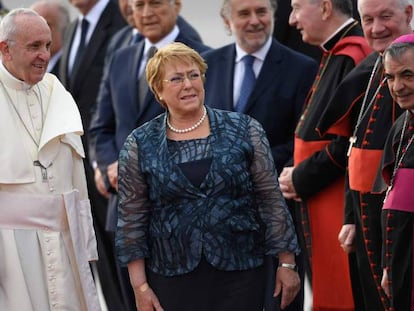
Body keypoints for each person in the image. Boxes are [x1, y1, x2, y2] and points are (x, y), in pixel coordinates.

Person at [115, 41, 300, 311]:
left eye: (193, 75)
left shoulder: (244, 129)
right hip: (172, 275)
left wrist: (287, 263)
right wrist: (140, 287)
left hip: (241, 271)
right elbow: (132, 219)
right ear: (159, 90)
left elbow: (270, 199)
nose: (188, 84)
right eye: (176, 79)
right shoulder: (139, 143)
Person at [201, 0, 318, 310]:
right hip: (219, 219)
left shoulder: (303, 67)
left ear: (273, 16)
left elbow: (303, 141)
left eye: (261, 12)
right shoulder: (206, 65)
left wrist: (248, 162)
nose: (254, 21)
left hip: (277, 215)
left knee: (281, 301)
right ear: (227, 22)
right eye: (244, 14)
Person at [0, 8, 100, 311]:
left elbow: (76, 178)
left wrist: (85, 245)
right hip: (11, 249)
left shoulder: (57, 91)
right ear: (5, 48)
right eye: (33, 47)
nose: (44, 55)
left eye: (46, 45)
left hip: (63, 242)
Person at [316, 0, 413, 309]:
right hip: (367, 214)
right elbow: (355, 144)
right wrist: (350, 216)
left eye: (386, 16)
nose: (376, 28)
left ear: (408, 14)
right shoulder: (374, 66)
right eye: (367, 19)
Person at [278, 0, 372, 310]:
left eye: (296, 7)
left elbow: (348, 142)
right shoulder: (335, 52)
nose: (291, 20)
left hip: (334, 198)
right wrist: (294, 169)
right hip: (317, 196)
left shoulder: (353, 55)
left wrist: (301, 177)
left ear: (326, 7)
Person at [89, 0, 210, 233]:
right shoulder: (120, 58)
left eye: (155, 3)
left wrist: (133, 166)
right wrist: (109, 166)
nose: (146, 13)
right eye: (139, 5)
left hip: (179, 211)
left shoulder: (202, 58)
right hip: (125, 210)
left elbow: (202, 130)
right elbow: (101, 126)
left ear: (177, 5)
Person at [59, 0, 127, 310]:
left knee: (123, 255)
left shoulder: (122, 20)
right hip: (80, 167)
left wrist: (106, 160)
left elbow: (120, 98)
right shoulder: (74, 28)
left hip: (112, 165)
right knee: (98, 253)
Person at [372, 33, 414, 311]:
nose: (397, 86)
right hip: (402, 262)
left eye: (408, 75)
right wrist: (390, 264)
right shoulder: (401, 125)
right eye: (390, 77)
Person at [30, 0, 70, 79]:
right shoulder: (22, 68)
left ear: (65, 30)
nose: (35, 31)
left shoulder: (70, 69)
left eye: (45, 25)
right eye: (31, 25)